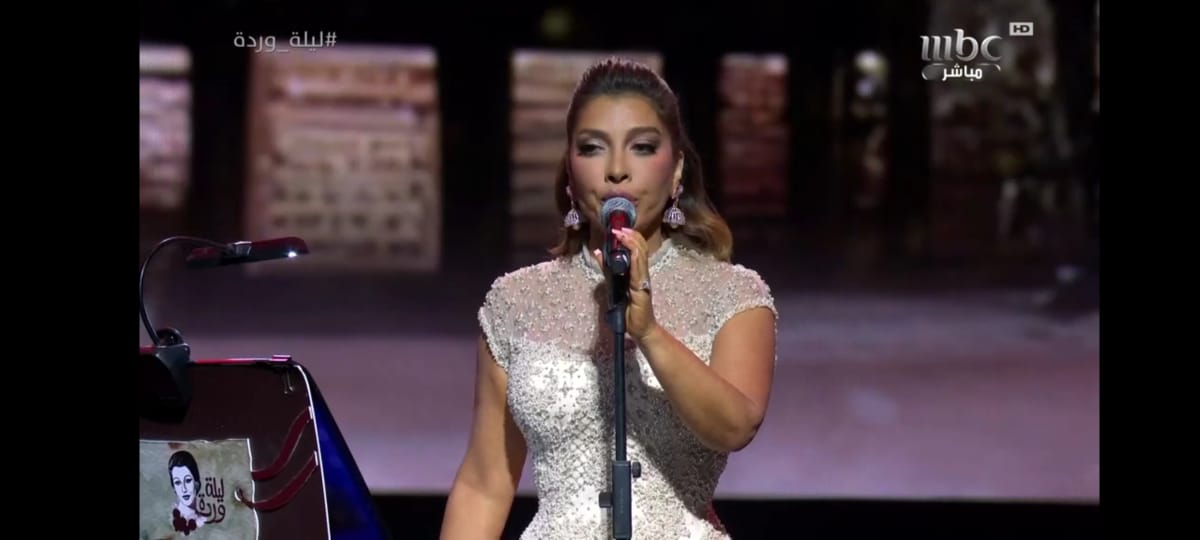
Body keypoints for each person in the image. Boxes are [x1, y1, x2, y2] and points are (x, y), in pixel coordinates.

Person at [441, 57, 778, 539]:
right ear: (570, 170)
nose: (617, 170)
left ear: (677, 169)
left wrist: (650, 334)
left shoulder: (734, 295)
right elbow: (485, 483)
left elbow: (735, 428)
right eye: (593, 148)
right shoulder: (514, 302)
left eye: (642, 147)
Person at [168, 450, 207, 534]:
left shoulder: (203, 517)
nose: (184, 489)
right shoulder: (174, 518)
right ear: (174, 488)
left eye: (188, 480)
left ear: (196, 483)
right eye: (177, 483)